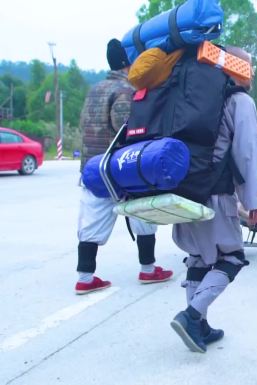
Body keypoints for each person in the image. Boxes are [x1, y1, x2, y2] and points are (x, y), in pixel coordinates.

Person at [170, 46, 257, 353]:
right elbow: (248, 152)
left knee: (199, 256)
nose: (252, 74)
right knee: (231, 258)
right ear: (239, 69)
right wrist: (254, 199)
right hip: (216, 192)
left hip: (184, 190)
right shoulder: (240, 100)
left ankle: (201, 326)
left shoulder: (190, 100)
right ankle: (192, 316)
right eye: (249, 68)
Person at [74, 39, 172, 295]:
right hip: (116, 167)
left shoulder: (94, 89)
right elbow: (127, 131)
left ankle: (85, 277)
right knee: (142, 213)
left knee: (91, 221)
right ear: (130, 63)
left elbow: (83, 124)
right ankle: (148, 270)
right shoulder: (126, 91)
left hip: (91, 168)